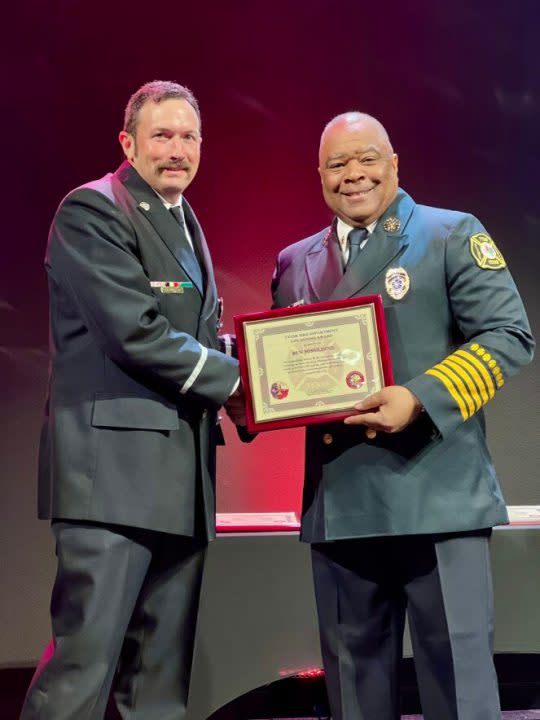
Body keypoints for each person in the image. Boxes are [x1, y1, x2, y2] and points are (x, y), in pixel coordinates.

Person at [270, 112, 534, 720]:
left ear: (395, 165)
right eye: (337, 164)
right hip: (341, 507)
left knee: (459, 692)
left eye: (367, 159)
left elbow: (508, 336)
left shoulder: (449, 234)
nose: (353, 174)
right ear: (319, 175)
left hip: (438, 499)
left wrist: (418, 399)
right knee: (354, 699)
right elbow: (283, 373)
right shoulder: (293, 262)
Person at [21, 80, 241, 720]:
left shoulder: (183, 221)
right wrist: (241, 382)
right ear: (128, 142)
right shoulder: (92, 211)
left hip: (179, 486)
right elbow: (136, 333)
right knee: (81, 676)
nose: (177, 150)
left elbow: (192, 338)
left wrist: (276, 364)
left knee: (158, 690)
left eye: (188, 137)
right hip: (111, 483)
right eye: (162, 136)